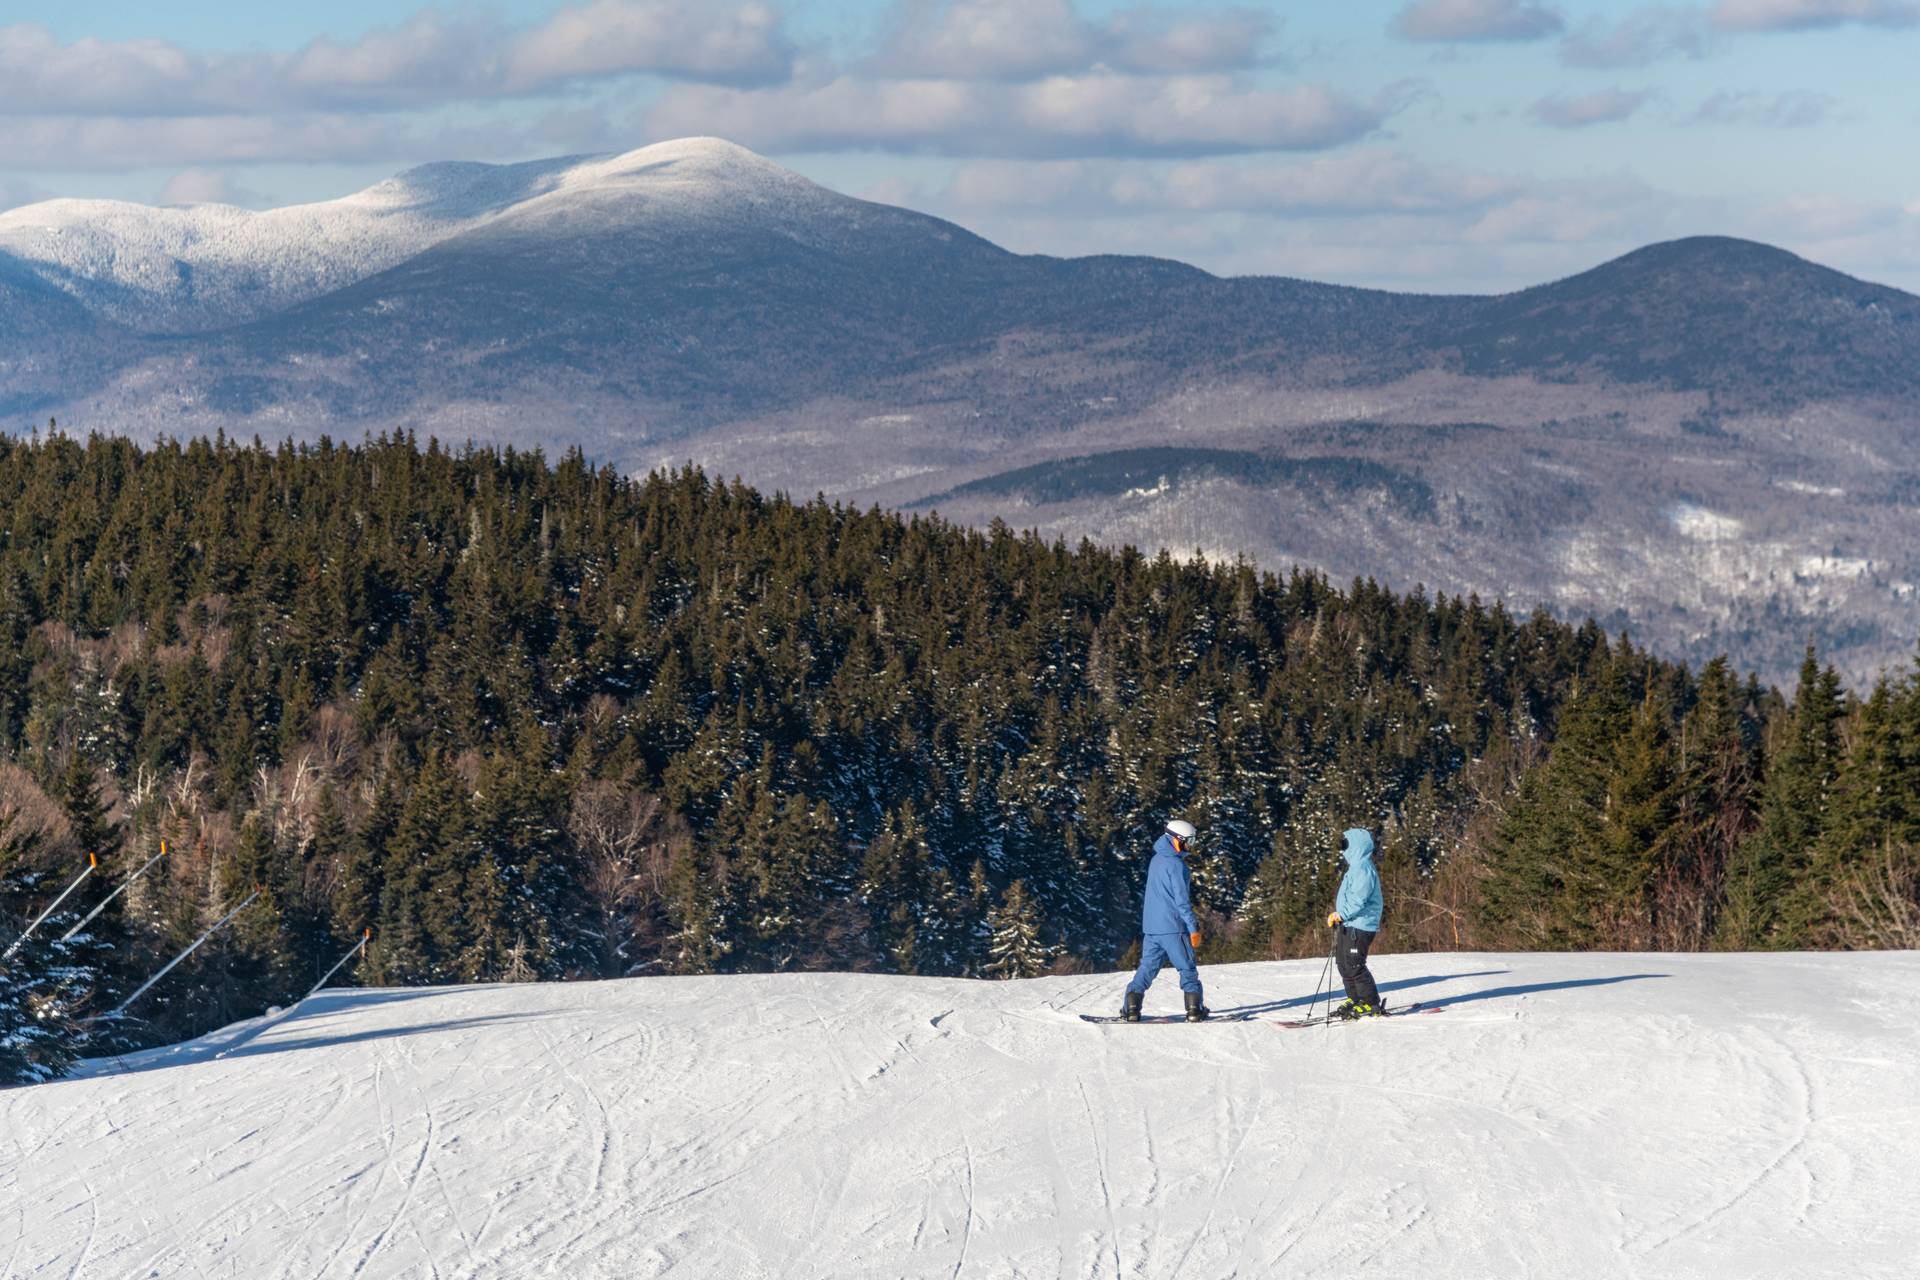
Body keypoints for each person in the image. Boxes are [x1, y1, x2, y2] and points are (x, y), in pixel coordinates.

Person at [1121, 819, 1208, 1022]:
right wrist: (1193, 927)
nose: (1191, 845)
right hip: (1173, 928)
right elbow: (1181, 900)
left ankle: (1131, 1008)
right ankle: (1195, 1009)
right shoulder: (1177, 865)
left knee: (1147, 968)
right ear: (1177, 840)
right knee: (1186, 968)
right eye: (1190, 841)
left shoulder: (1156, 860)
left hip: (1152, 928)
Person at [1325, 827, 1385, 1019]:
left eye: (1345, 844)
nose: (1342, 848)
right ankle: (1356, 998)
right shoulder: (1356, 867)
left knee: (1354, 964)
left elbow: (1359, 899)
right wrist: (1339, 916)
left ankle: (1370, 1002)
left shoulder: (1363, 869)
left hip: (1361, 925)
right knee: (1343, 963)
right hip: (1350, 923)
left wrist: (1341, 914)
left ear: (1356, 846)